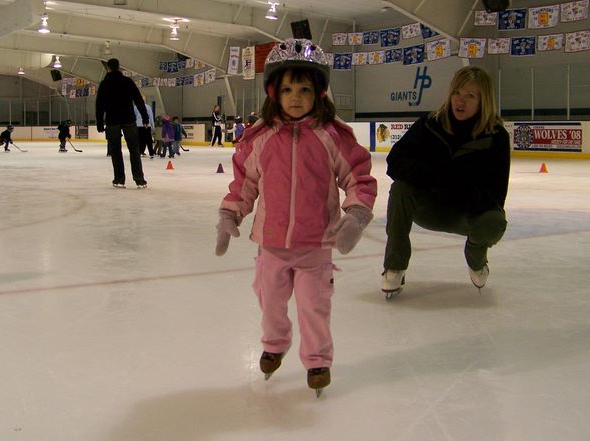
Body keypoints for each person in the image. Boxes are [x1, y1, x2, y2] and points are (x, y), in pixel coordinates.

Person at [215, 39, 377, 395]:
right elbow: (244, 183)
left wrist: (356, 214)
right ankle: (275, 344)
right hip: (271, 244)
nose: (296, 97)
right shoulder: (261, 138)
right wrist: (230, 214)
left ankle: (318, 359)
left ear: (319, 92)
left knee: (313, 305)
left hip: (315, 244)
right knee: (270, 301)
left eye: (304, 89)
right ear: (274, 92)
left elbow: (358, 178)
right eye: (287, 89)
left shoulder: (331, 136)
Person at [380, 65, 510, 298]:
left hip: (467, 214)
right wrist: (433, 177)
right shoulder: (430, 124)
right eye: (457, 93)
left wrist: (459, 188)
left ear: (483, 101)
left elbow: (495, 194)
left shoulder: (496, 137)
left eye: (470, 96)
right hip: (428, 208)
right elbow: (395, 161)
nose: (460, 101)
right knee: (400, 188)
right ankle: (395, 266)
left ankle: (476, 258)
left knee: (494, 222)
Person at [95, 58, 148, 189]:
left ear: (108, 68)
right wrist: (145, 117)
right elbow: (139, 100)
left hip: (112, 121)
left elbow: (99, 105)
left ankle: (119, 180)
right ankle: (140, 180)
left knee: (115, 151)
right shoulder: (128, 81)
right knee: (134, 150)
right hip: (129, 119)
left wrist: (100, 123)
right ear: (119, 67)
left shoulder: (105, 84)